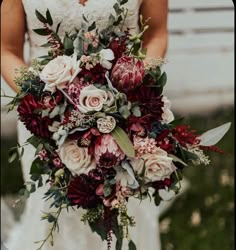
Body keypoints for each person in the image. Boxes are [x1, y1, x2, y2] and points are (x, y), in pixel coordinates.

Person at [1, 0, 169, 249]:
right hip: (46, 119)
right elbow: (7, 50)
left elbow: (156, 34)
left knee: (123, 202)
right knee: (52, 207)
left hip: (125, 117)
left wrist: (131, 87)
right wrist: (43, 102)